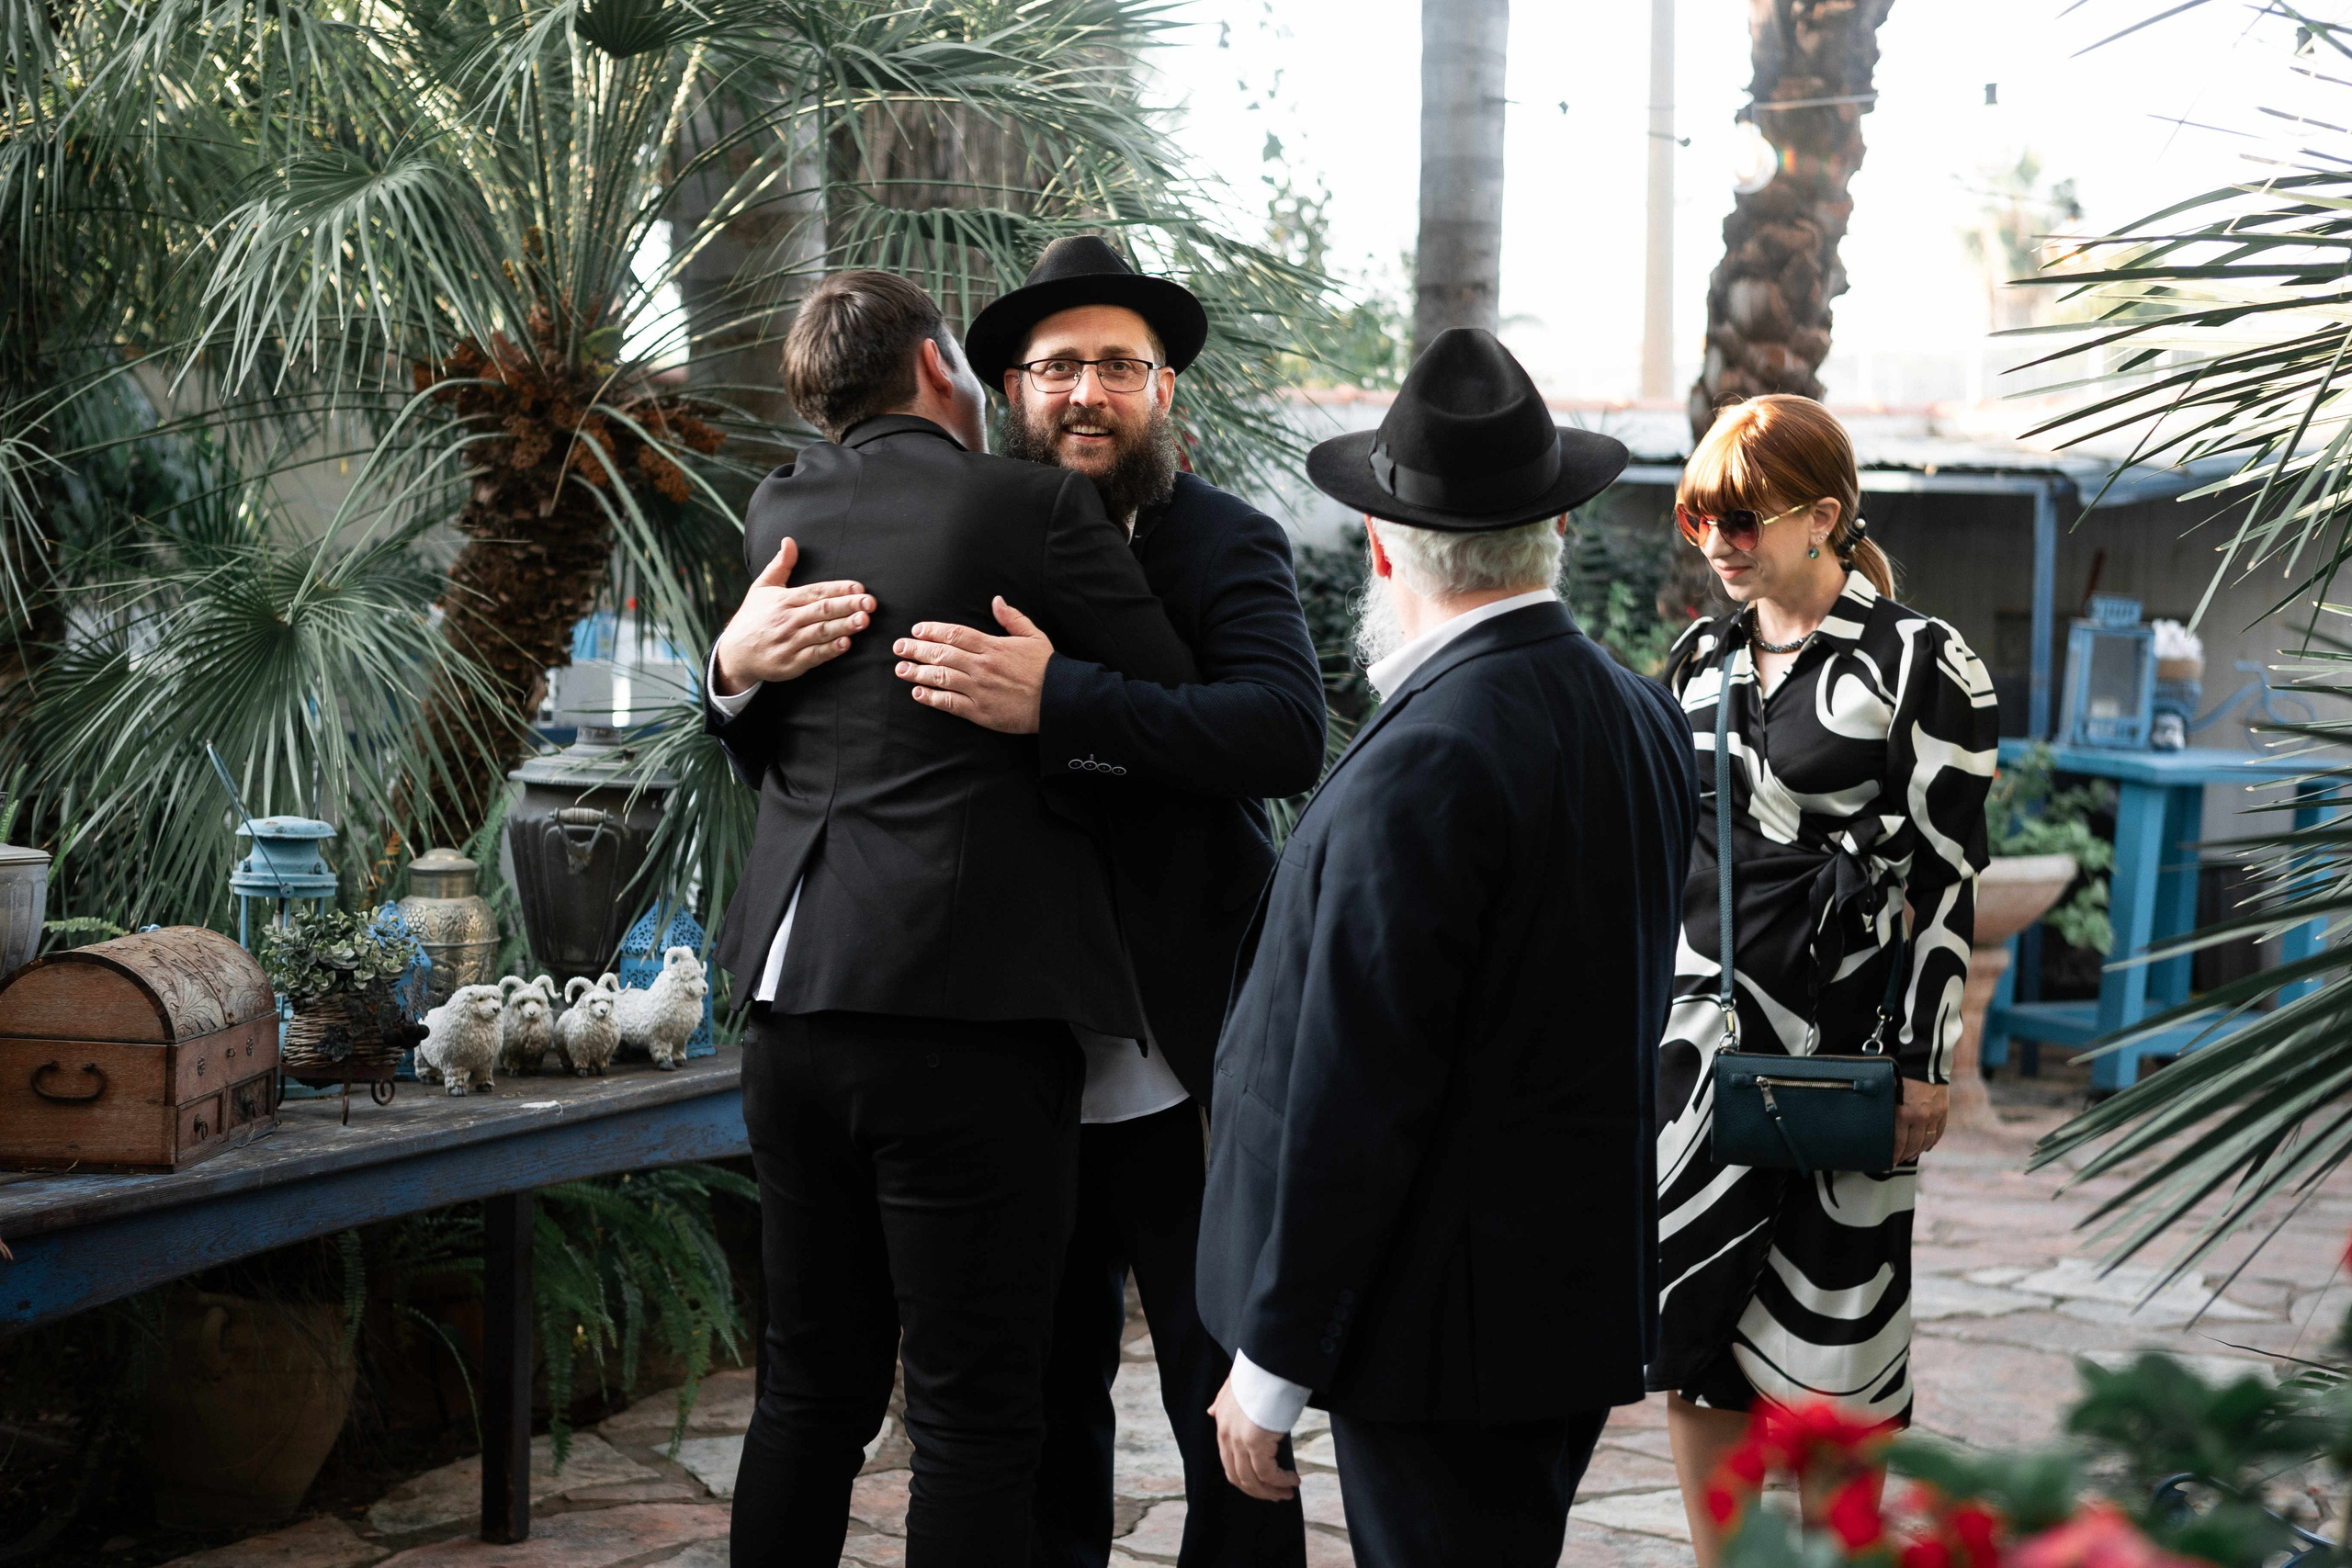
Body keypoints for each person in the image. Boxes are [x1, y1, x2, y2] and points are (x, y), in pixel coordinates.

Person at [703, 268, 1200, 1567]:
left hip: (790, 1008)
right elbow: (1166, 699)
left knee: (808, 1392)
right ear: (938, 364)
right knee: (978, 1411)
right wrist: (1060, 689)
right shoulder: (1029, 503)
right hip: (963, 1015)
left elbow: (775, 741)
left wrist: (726, 668)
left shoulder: (782, 507)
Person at [1193, 327, 1698, 1566]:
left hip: (1437, 1336)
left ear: (1380, 544)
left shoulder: (1430, 751)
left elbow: (1361, 1089)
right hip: (1556, 1313)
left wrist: (1273, 1357)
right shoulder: (1639, 714)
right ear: (1556, 530)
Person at [888, 233, 1323, 1567]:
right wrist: (730, 668)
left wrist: (1060, 701)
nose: (1086, 393)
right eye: (1058, 366)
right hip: (1008, 1058)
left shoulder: (1225, 541)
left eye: (1118, 367)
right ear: (1009, 390)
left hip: (1187, 1059)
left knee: (1225, 1410)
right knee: (1032, 1403)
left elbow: (1279, 733)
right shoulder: (955, 537)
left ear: (1164, 391)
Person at [1648, 394, 1998, 1567]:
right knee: (1696, 1335)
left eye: (1742, 516)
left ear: (1824, 518)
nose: (1718, 542)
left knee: (1838, 1345)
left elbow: (1947, 882)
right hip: (1696, 1044)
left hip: (1844, 1046)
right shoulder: (1699, 662)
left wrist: (1924, 1066)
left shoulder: (1919, 661)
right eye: (1701, 516)